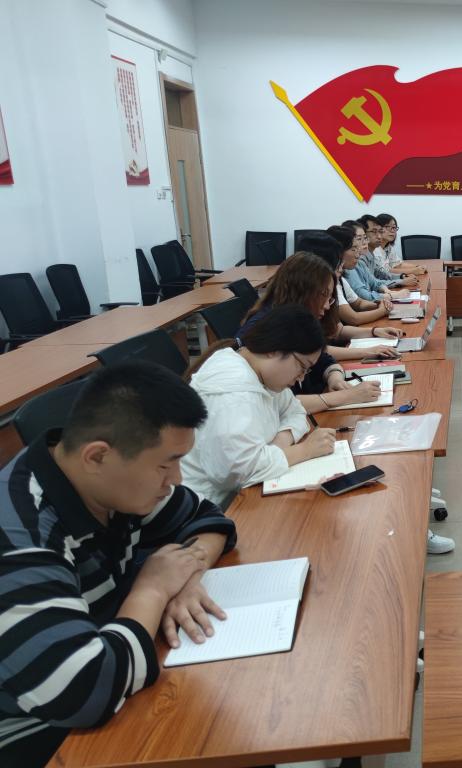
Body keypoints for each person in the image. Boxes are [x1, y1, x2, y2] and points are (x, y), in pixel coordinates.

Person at [0, 362, 237, 767]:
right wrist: (153, 589)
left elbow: (209, 519)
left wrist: (186, 574)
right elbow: (84, 691)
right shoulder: (20, 539)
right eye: (165, 464)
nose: (177, 479)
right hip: (33, 730)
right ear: (97, 456)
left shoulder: (111, 485)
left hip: (106, 674)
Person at [181, 305, 338, 507]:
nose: (300, 378)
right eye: (302, 366)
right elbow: (237, 473)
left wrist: (279, 444)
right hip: (211, 507)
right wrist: (305, 450)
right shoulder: (232, 392)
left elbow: (296, 411)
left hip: (243, 496)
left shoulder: (264, 376)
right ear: (274, 349)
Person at [237, 253, 383, 413]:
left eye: (330, 298)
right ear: (302, 291)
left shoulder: (297, 321)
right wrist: (346, 396)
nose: (327, 306)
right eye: (324, 295)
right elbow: (276, 404)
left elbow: (322, 358)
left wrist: (335, 377)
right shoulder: (264, 327)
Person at [343, 220, 411, 302]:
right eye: (359, 239)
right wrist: (392, 295)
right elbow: (363, 295)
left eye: (365, 238)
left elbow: (375, 283)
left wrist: (386, 290)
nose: (364, 242)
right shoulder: (348, 266)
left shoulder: (360, 263)